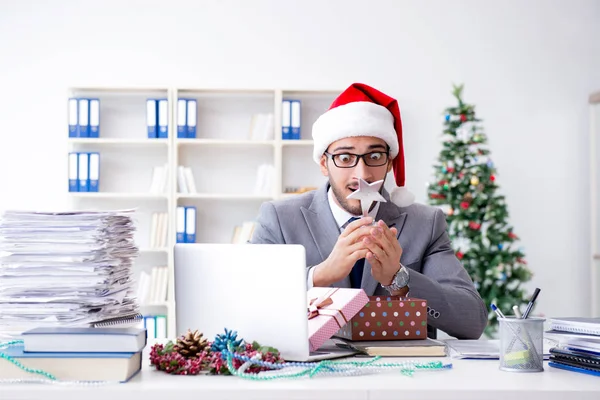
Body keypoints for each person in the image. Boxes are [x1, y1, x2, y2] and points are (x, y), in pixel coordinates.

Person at [250, 83, 487, 339]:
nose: (361, 175)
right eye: (344, 157)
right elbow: (247, 301)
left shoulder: (426, 223)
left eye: (374, 157)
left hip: (402, 375)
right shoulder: (279, 218)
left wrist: (400, 278)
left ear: (389, 164)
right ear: (323, 163)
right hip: (310, 375)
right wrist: (318, 276)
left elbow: (471, 322)